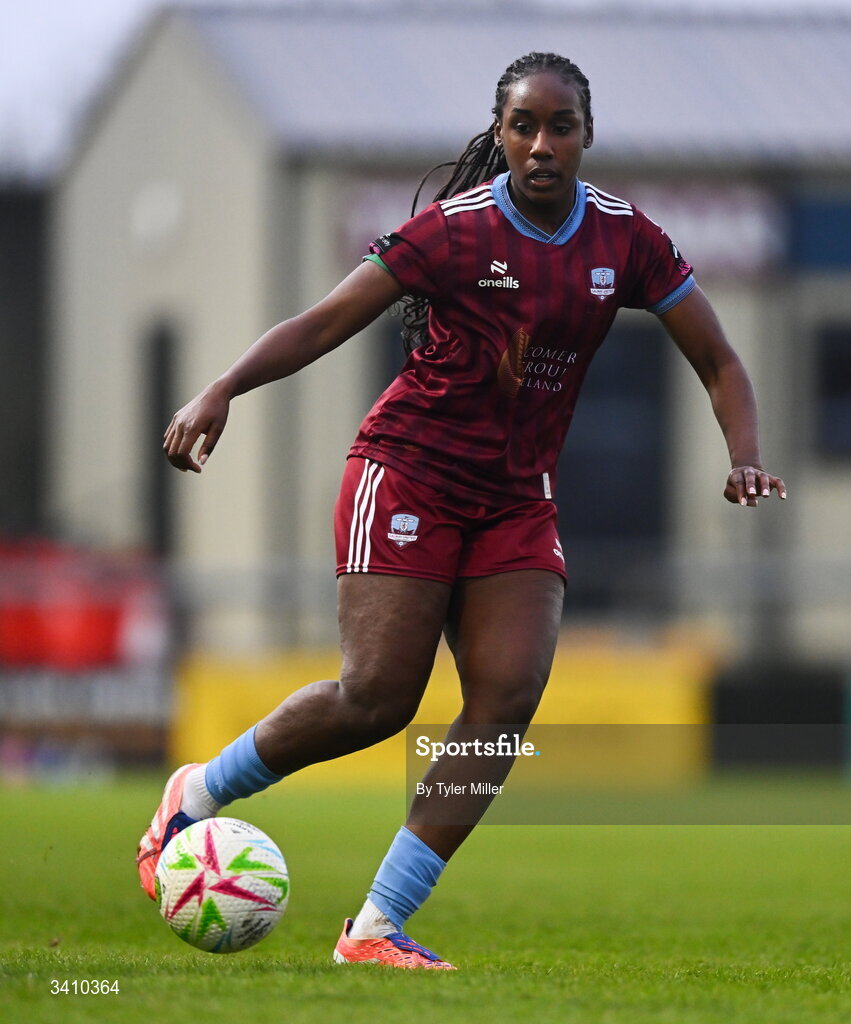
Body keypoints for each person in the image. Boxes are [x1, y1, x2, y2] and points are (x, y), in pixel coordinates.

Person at [138, 52, 786, 970]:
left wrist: (744, 457)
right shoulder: (452, 232)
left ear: (585, 135)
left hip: (516, 500)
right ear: (502, 133)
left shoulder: (626, 241)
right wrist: (222, 388)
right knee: (377, 701)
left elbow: (719, 358)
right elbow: (324, 323)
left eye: (560, 126)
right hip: (406, 476)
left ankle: (375, 927)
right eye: (524, 126)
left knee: (506, 701)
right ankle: (197, 794)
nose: (542, 144)